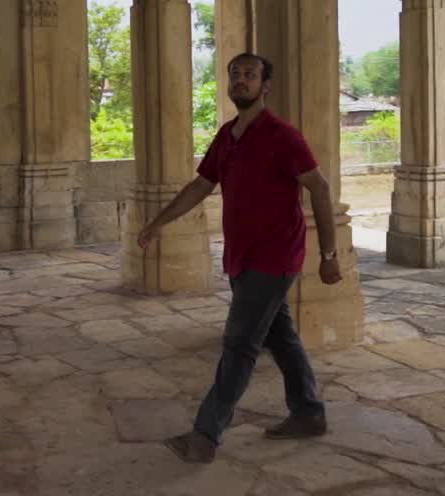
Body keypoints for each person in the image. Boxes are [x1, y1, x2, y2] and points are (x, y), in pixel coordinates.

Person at [136, 52, 344, 464]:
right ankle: (308, 412)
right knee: (280, 336)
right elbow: (201, 185)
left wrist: (329, 254)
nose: (241, 80)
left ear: (265, 85)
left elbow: (318, 188)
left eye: (250, 74)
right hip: (242, 256)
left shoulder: (282, 136)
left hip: (274, 255)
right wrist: (158, 221)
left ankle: (205, 435)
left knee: (240, 344)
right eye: (235, 74)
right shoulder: (228, 136)